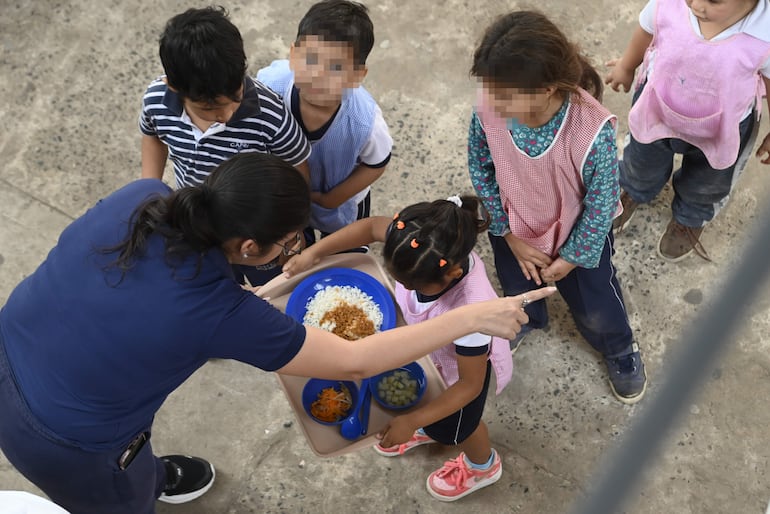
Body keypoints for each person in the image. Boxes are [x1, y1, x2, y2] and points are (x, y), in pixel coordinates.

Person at [0, 153, 551, 514]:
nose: (292, 253)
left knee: (131, 464)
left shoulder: (142, 196)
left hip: (13, 345)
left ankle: (147, 474)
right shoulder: (217, 312)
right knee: (120, 501)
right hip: (64, 440)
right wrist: (476, 316)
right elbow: (356, 361)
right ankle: (132, 489)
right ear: (247, 249)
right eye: (288, 244)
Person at [283, 195, 524, 501]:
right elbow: (370, 227)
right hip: (434, 356)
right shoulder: (416, 241)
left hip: (458, 376)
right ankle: (428, 423)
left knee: (462, 427)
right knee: (430, 408)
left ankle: (482, 465)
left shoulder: (474, 310)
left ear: (450, 274)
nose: (406, 288)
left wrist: (412, 421)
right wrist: (314, 253)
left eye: (413, 286)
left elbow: (470, 385)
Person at [467, 10, 648, 404]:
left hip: (577, 240)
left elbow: (601, 204)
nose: (492, 104)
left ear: (547, 89)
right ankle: (531, 318)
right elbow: (480, 165)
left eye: (504, 95)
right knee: (519, 285)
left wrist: (572, 257)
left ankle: (618, 347)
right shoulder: (489, 107)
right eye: (489, 90)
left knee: (596, 302)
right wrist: (506, 232)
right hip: (514, 227)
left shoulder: (591, 129)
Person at [138, 6, 313, 285]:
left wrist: (290, 232)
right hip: (198, 216)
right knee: (216, 279)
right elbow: (152, 135)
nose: (228, 114)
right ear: (174, 87)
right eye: (210, 108)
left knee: (271, 284)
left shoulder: (268, 114)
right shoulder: (156, 101)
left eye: (236, 96)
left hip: (254, 225)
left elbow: (297, 168)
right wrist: (147, 188)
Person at [605, 0, 770, 261]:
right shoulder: (669, 5)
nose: (696, 5)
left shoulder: (764, 34)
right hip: (657, 108)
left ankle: (690, 216)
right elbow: (648, 29)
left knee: (708, 182)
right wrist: (626, 66)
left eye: (713, 0)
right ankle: (633, 189)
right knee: (640, 161)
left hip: (723, 127)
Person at [257, 0, 392, 246]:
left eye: (336, 67)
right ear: (293, 55)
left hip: (340, 201)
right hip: (286, 196)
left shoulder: (364, 121)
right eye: (310, 59)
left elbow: (377, 163)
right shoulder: (270, 86)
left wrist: (332, 198)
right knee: (297, 252)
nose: (318, 74)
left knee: (343, 250)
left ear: (357, 76)